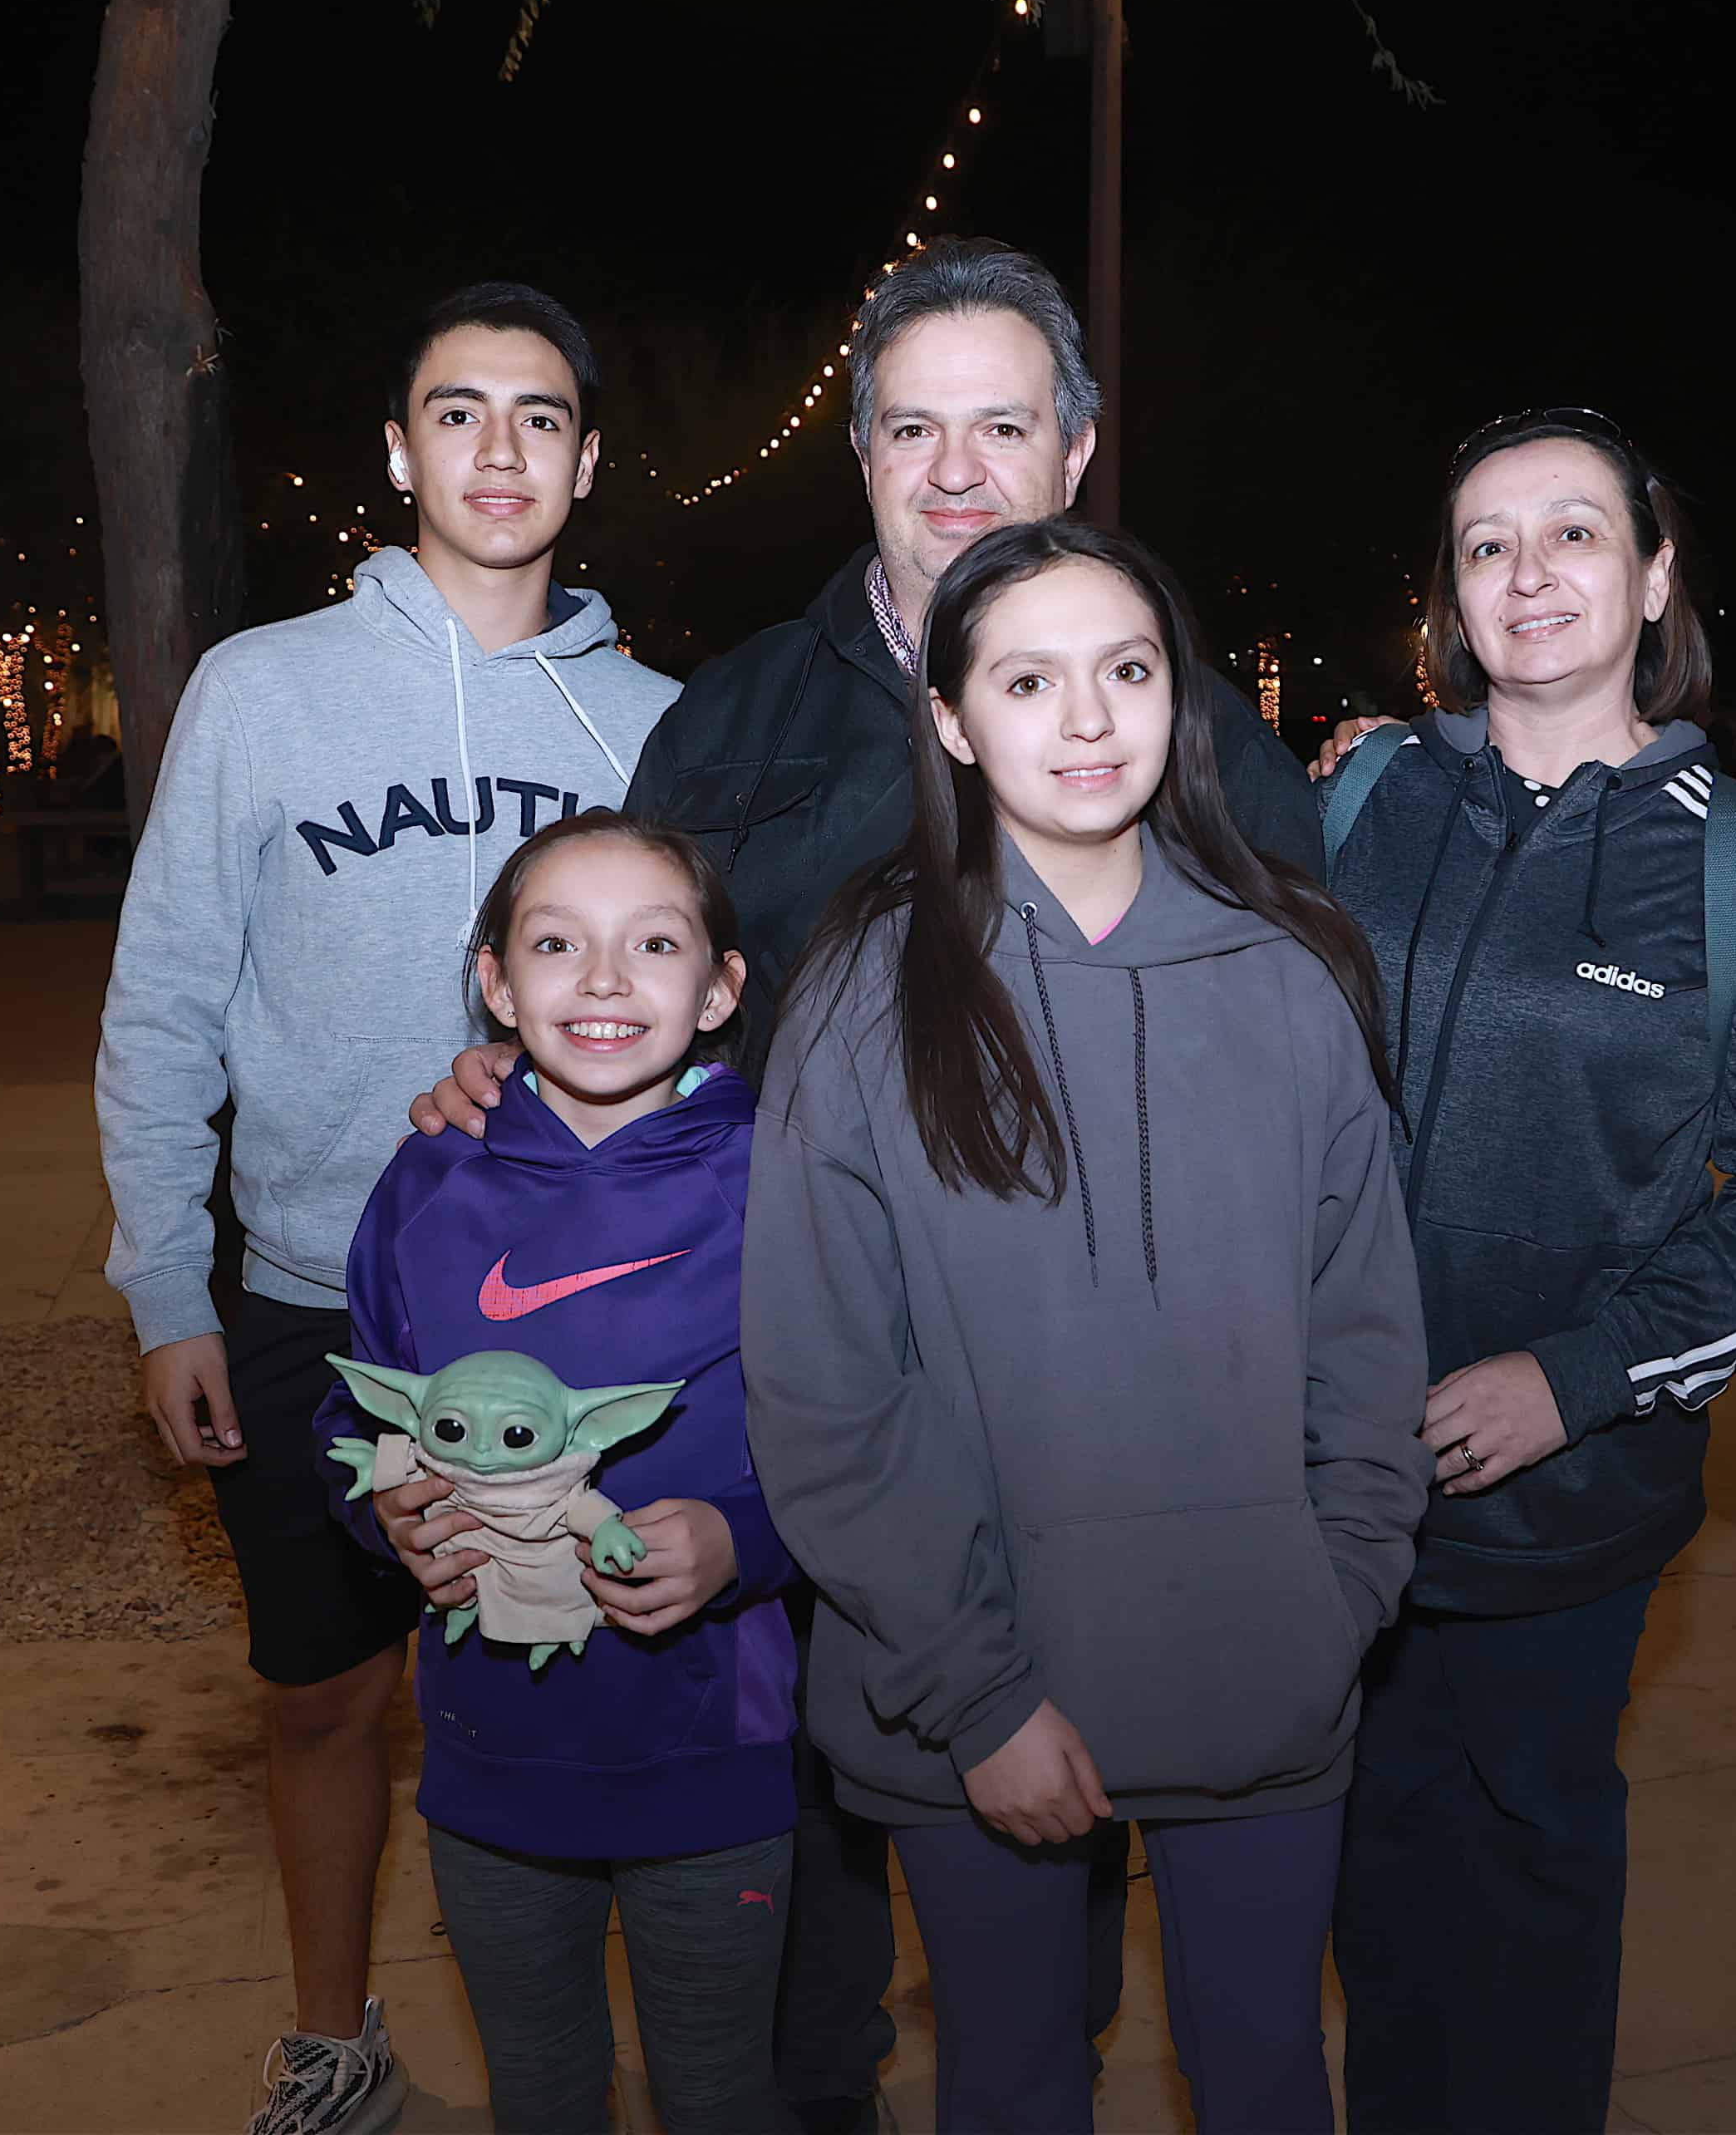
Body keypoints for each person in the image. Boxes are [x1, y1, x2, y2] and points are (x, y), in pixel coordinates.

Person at [414, 239, 1314, 2132]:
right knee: (805, 1939)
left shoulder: (1197, 728)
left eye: (1004, 422)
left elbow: (1317, 1092)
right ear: (864, 455)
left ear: (1077, 445)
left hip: (1101, 1443)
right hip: (780, 1416)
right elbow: (620, 964)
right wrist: (511, 1073)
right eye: (916, 425)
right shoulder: (732, 721)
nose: (961, 466)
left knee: (1049, 1948)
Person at [743, 519, 1431, 2134]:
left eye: (1127, 671)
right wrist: (975, 1694)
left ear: (1179, 702)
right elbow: (825, 1388)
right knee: (1013, 2074)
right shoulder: (861, 993)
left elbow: (1370, 1335)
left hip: (1264, 1668)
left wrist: (1336, 1596)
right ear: (953, 719)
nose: (1088, 718)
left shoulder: (1292, 972)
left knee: (1268, 2073)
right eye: (1029, 678)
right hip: (978, 1694)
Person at [96, 282, 680, 2135]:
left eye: (537, 417)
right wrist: (163, 1287)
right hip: (303, 1300)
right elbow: (165, 997)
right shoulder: (262, 692)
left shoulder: (660, 728)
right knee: (330, 1697)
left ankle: (644, 2058)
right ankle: (332, 2039)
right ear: (397, 448)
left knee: (585, 1698)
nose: (497, 450)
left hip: (570, 1312)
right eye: (459, 412)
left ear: (586, 461)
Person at [1316, 409, 1736, 2135]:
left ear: (1652, 574)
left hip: (1565, 1513)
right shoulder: (1358, 795)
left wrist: (1575, 1379)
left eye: (1571, 533)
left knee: (1533, 1880)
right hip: (1326, 1486)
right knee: (1370, 1884)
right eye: (1487, 543)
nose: (1528, 572)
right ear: (1450, 594)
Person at [317, 809, 797, 2134]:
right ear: (494, 980)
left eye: (652, 943)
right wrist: (384, 1517)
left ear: (720, 988)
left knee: (719, 2090)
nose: (600, 980)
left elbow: (880, 1440)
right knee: (538, 2085)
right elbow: (353, 1412)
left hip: (719, 1751)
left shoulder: (789, 1178)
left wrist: (746, 1544)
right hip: (490, 1755)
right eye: (554, 943)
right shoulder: (430, 1181)